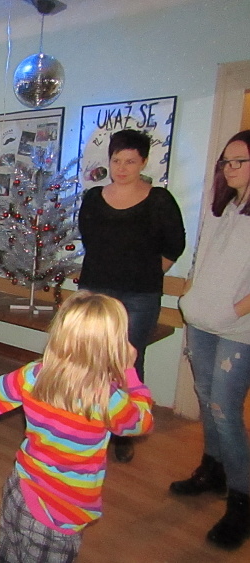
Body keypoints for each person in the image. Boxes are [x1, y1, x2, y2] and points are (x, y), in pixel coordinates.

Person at [0, 291, 154, 563]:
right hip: (58, 515)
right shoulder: (109, 400)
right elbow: (142, 422)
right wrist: (129, 372)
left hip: (19, 491)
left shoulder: (35, 374)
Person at [77, 128, 185, 463]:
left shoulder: (160, 200)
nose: (122, 168)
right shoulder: (94, 198)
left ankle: (124, 431)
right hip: (97, 291)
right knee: (91, 360)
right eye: (116, 160)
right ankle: (89, 422)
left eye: (130, 161)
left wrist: (148, 272)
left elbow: (175, 245)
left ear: (144, 162)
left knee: (129, 361)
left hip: (141, 296)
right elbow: (90, 241)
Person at [170, 130, 250, 550]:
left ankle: (242, 500)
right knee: (205, 397)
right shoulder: (221, 208)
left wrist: (234, 310)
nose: (230, 168)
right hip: (201, 320)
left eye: (240, 161)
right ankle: (213, 469)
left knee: (225, 409)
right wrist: (191, 296)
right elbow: (201, 261)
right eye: (226, 161)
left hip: (239, 330)